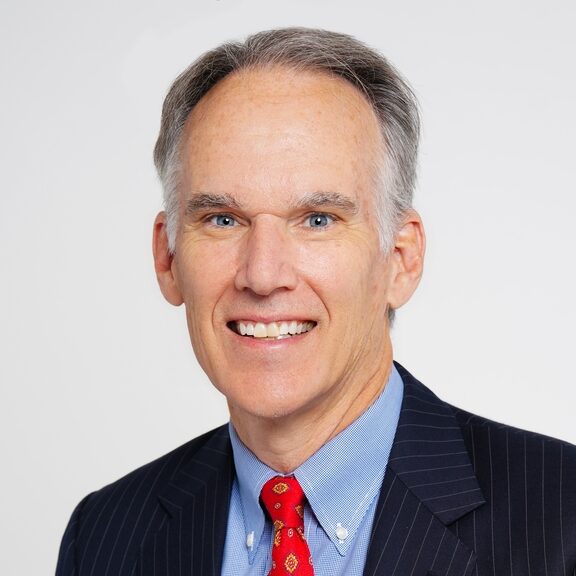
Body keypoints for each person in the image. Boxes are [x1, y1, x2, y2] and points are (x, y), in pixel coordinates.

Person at [56, 27, 575, 576]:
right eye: (223, 219)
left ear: (400, 260)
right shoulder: (105, 537)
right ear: (168, 259)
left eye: (318, 220)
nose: (263, 275)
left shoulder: (562, 518)